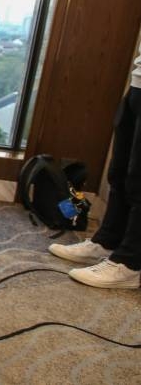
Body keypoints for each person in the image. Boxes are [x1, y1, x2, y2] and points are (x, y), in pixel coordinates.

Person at [48, 33, 141, 288]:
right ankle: (108, 241)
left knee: (139, 181)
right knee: (120, 172)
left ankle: (130, 264)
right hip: (138, 83)